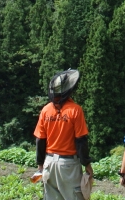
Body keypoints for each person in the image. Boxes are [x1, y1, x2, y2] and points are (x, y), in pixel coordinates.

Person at [34, 69, 93, 200]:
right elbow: (81, 141)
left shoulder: (45, 110)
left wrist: (40, 165)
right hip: (68, 165)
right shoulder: (75, 110)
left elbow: (40, 139)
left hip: (49, 163)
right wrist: (87, 164)